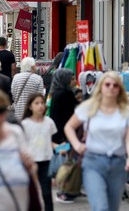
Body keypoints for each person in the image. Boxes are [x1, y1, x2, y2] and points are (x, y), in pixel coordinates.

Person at [64, 71, 129, 211]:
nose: (111, 88)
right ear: (101, 87)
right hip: (93, 162)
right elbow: (69, 127)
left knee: (112, 207)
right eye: (107, 84)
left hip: (118, 163)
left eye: (115, 85)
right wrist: (77, 145)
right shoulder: (89, 108)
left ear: (120, 89)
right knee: (101, 207)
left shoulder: (127, 111)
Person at [22, 93, 57, 211]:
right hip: (31, 162)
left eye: (42, 103)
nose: (40, 106)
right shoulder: (25, 124)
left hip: (46, 160)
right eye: (36, 103)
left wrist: (59, 147)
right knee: (30, 193)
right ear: (30, 106)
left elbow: (49, 141)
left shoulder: (49, 122)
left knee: (47, 193)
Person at [48, 68, 78, 204]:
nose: (74, 81)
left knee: (66, 162)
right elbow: (68, 116)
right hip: (64, 135)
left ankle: (69, 188)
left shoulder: (56, 93)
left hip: (58, 134)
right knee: (66, 163)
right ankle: (65, 190)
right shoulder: (65, 94)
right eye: (71, 79)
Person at [11, 57, 45, 121]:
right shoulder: (38, 78)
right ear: (31, 67)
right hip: (32, 112)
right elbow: (40, 96)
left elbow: (13, 94)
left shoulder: (16, 77)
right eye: (35, 65)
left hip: (18, 112)